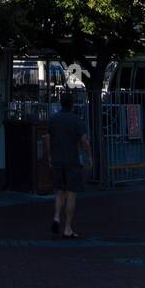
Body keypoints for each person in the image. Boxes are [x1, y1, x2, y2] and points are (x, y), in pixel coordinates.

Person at [46, 90, 92, 239]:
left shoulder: (53, 120)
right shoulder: (77, 120)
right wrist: (89, 156)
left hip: (57, 160)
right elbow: (84, 141)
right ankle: (67, 228)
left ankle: (56, 217)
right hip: (72, 161)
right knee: (71, 195)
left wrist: (50, 155)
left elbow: (47, 138)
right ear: (72, 104)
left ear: (60, 102)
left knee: (59, 192)